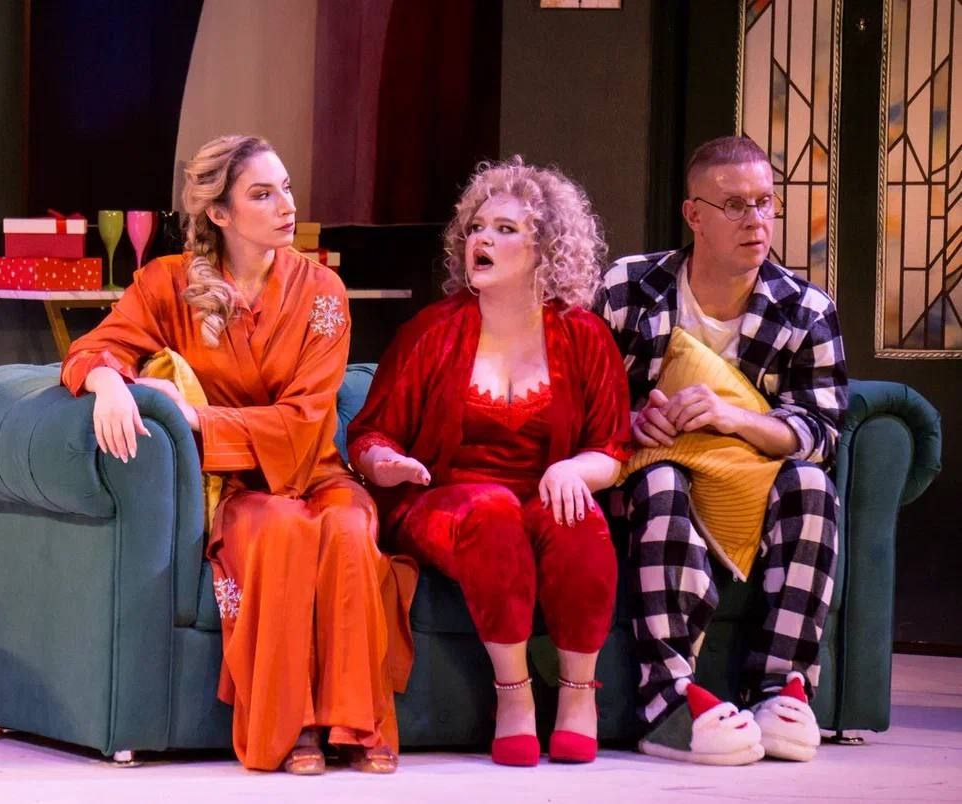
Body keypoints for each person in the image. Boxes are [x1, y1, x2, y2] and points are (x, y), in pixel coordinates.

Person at [60, 134, 416, 775]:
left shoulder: (323, 291)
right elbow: (94, 348)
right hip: (235, 484)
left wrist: (197, 418)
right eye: (262, 194)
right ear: (220, 213)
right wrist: (109, 382)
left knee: (347, 527)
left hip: (315, 470)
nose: (286, 205)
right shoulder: (168, 283)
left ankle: (355, 721)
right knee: (278, 529)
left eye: (286, 188)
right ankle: (293, 726)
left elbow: (307, 419)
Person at [348, 158, 631, 766]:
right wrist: (389, 463)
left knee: (579, 519)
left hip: (544, 494)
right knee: (493, 510)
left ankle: (579, 694)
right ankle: (515, 695)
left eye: (505, 230)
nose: (482, 239)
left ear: (546, 248)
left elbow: (612, 448)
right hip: (446, 500)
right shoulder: (432, 330)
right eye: (477, 228)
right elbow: (369, 435)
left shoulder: (584, 335)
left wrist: (574, 469)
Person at [595, 135, 847, 765]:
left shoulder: (805, 309)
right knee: (662, 482)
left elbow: (821, 431)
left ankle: (782, 690)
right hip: (650, 476)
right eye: (734, 205)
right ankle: (667, 701)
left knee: (812, 486)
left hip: (750, 485)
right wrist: (630, 420)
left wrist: (734, 417)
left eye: (766, 202)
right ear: (694, 215)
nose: (756, 220)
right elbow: (577, 397)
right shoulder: (628, 288)